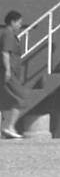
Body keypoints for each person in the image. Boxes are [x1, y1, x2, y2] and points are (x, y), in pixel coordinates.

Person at [1, 10, 27, 139]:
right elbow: (5, 52)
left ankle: (6, 128)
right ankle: (9, 127)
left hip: (12, 72)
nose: (20, 25)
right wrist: (8, 70)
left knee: (9, 100)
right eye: (19, 23)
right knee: (20, 98)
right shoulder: (8, 34)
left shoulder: (8, 34)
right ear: (12, 22)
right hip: (9, 72)